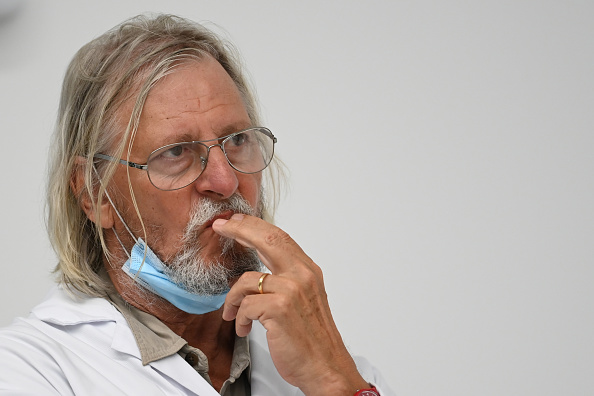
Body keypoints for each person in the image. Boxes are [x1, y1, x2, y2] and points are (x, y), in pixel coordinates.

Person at [0, 14, 393, 396]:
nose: (225, 182)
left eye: (237, 140)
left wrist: (336, 383)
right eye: (175, 152)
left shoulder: (336, 369)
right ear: (94, 193)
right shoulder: (27, 371)